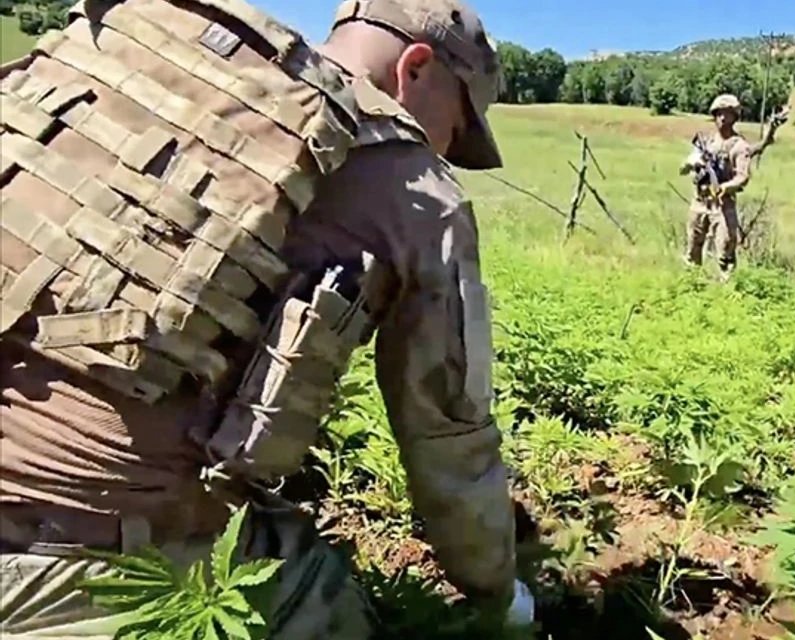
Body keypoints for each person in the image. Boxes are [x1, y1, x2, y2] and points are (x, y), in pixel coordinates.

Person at [0, 0, 531, 637]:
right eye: (458, 126)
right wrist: (499, 593)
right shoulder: (416, 191)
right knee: (325, 601)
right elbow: (450, 441)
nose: (445, 150)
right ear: (414, 69)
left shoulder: (120, 55)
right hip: (73, 568)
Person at [680, 93, 754, 278]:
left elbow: (743, 177)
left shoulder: (739, 146)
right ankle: (691, 287)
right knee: (692, 251)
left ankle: (727, 292)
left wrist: (726, 187)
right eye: (719, 113)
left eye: (727, 113)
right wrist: (692, 163)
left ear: (735, 117)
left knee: (725, 256)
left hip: (723, 205)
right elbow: (683, 169)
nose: (722, 118)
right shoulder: (707, 143)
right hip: (700, 202)